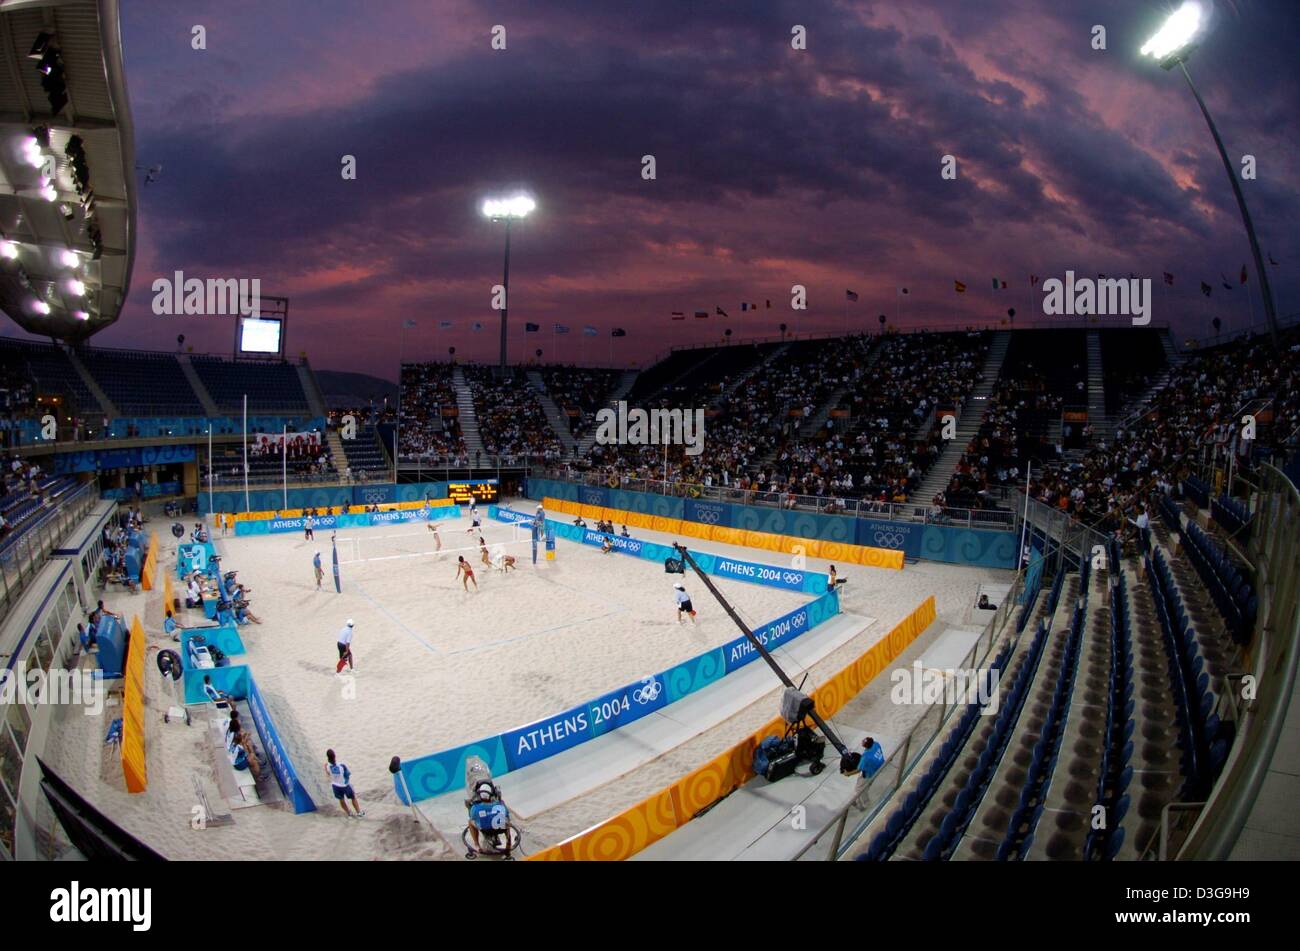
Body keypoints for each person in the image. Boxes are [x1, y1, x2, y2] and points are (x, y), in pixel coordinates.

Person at [466, 780, 510, 853]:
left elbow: (472, 816)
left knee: (470, 822)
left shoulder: (476, 808)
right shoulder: (501, 805)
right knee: (506, 820)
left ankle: (477, 845)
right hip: (501, 828)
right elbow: (507, 816)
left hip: (485, 830)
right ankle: (508, 844)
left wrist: (468, 806)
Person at [325, 749, 365, 818]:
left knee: (341, 800)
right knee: (353, 797)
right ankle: (359, 812)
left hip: (335, 786)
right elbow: (348, 774)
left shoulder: (327, 766)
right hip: (344, 785)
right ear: (335, 756)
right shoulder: (341, 765)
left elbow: (328, 773)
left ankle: (349, 813)